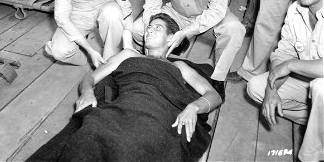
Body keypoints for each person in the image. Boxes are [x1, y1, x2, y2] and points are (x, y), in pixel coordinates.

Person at [40, 13, 222, 161]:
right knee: (89, 136)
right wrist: (88, 92)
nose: (149, 31)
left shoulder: (179, 67)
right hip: (120, 110)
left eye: (157, 28)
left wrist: (193, 107)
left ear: (171, 38)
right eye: (148, 28)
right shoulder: (128, 55)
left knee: (134, 145)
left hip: (157, 117)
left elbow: (213, 95)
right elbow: (91, 78)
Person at [246, 0, 324, 162]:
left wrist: (290, 66)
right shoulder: (295, 9)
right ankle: (313, 123)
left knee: (321, 89)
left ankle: (312, 153)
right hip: (307, 81)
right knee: (256, 88)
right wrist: (273, 88)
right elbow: (284, 50)